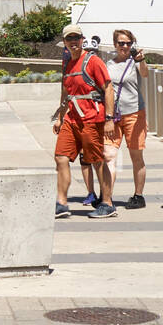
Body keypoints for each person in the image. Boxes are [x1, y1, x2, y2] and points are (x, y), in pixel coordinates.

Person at [53, 25, 116, 220]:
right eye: (69, 39)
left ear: (82, 40)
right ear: (64, 42)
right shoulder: (68, 64)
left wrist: (109, 119)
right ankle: (62, 203)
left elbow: (108, 88)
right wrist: (59, 117)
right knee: (61, 158)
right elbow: (66, 93)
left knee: (97, 161)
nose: (73, 42)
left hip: (92, 119)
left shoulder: (92, 61)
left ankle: (107, 203)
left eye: (76, 38)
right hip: (72, 120)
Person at [107, 29, 150, 210]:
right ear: (115, 45)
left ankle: (138, 196)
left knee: (136, 156)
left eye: (128, 43)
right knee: (108, 155)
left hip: (134, 113)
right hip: (113, 116)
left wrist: (140, 59)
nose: (125, 46)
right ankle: (106, 197)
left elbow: (146, 74)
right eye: (121, 43)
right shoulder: (108, 64)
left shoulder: (136, 63)